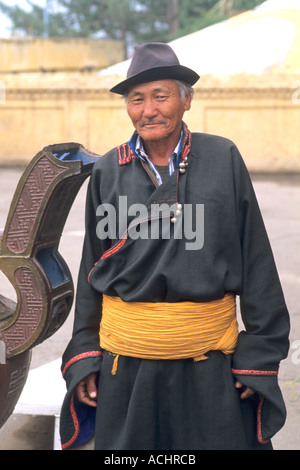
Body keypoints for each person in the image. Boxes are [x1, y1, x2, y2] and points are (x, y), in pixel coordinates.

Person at [60, 42, 290, 451]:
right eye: (136, 99)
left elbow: (256, 258)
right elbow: (92, 267)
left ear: (187, 100)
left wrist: (259, 352)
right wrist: (85, 353)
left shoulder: (222, 157)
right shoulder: (110, 170)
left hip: (209, 365)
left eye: (160, 96)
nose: (148, 110)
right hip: (125, 364)